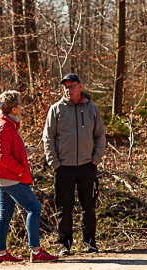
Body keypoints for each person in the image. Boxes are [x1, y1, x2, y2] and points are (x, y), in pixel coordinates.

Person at [42, 73, 106, 256]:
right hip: (63, 168)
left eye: (71, 86)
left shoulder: (92, 108)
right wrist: (54, 162)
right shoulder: (56, 109)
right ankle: (64, 244)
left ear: (80, 86)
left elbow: (100, 135)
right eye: (65, 87)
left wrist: (96, 158)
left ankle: (90, 242)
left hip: (87, 165)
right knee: (64, 207)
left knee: (89, 206)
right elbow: (48, 137)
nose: (68, 90)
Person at [0, 91, 58, 263]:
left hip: (4, 177)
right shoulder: (5, 126)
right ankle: (36, 251)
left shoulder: (7, 123)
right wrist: (18, 171)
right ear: (14, 108)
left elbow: (8, 151)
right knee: (34, 207)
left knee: (5, 214)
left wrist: (23, 150)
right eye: (20, 103)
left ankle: (1, 253)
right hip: (10, 177)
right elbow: (2, 156)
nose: (22, 106)